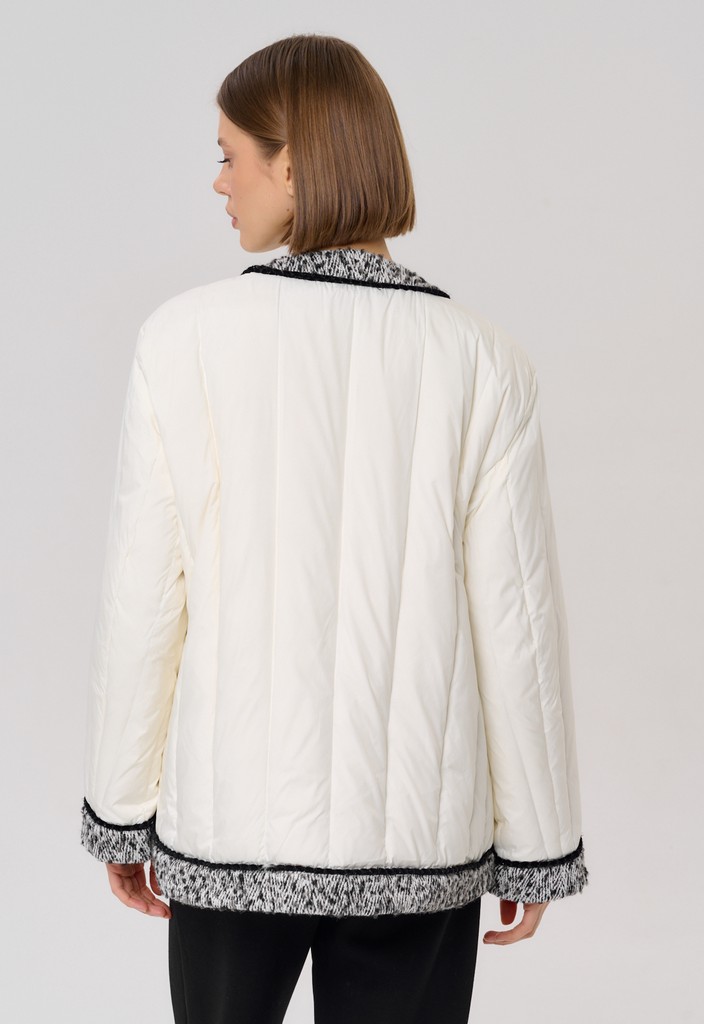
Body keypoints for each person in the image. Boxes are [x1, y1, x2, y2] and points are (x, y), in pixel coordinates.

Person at [80, 32, 588, 1024]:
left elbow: (144, 599)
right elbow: (517, 622)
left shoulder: (182, 342)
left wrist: (121, 810)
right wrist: (538, 840)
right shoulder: (484, 362)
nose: (218, 181)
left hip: (231, 835)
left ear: (294, 163)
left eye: (230, 153)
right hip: (420, 846)